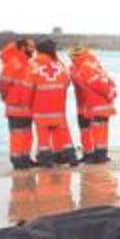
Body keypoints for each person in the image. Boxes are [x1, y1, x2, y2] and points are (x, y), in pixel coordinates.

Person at [27, 39, 77, 167]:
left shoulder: (33, 65)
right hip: (58, 107)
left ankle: (46, 159)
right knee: (63, 133)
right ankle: (70, 156)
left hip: (40, 107)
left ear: (38, 51)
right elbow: (67, 82)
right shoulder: (60, 65)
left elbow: (27, 85)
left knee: (43, 135)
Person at [68, 46, 117, 164]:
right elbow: (109, 82)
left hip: (93, 104)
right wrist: (111, 93)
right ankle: (96, 154)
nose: (70, 59)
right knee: (96, 130)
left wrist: (109, 93)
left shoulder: (84, 67)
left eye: (71, 56)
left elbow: (96, 84)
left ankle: (98, 155)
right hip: (93, 104)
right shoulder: (93, 64)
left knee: (96, 130)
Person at [0, 38, 36, 170]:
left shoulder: (27, 63)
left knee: (27, 133)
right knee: (17, 134)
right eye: (30, 47)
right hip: (15, 106)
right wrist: (6, 97)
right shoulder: (14, 63)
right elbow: (3, 83)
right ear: (22, 48)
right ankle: (17, 160)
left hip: (27, 107)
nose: (33, 49)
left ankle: (25, 158)